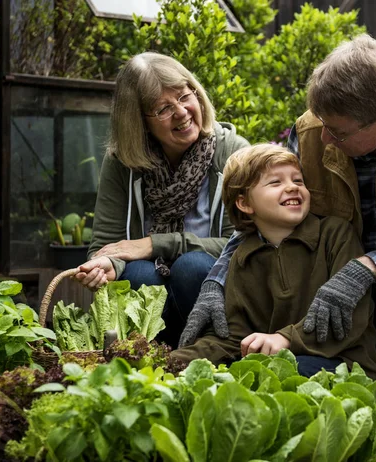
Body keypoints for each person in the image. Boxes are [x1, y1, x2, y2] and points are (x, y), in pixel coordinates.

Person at [180, 35, 376, 461]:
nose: (325, 139)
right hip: (333, 276)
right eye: (323, 124)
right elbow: (262, 217)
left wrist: (366, 268)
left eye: (339, 132)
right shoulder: (313, 127)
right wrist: (216, 280)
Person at [73, 52, 249, 349]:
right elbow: (106, 243)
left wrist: (156, 243)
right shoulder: (121, 163)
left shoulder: (232, 152)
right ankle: (153, 359)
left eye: (184, 96)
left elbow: (244, 241)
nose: (181, 112)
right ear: (139, 122)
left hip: (217, 292)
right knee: (137, 273)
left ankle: (211, 353)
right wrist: (106, 264)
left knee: (191, 266)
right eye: (164, 108)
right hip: (154, 301)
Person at [171, 144, 376, 379]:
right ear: (245, 204)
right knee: (234, 376)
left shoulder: (336, 235)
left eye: (298, 181)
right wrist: (174, 362)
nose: (292, 187)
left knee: (278, 372)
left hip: (345, 366)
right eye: (275, 182)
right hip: (277, 365)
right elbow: (233, 336)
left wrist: (284, 339)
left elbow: (349, 320)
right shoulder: (242, 256)